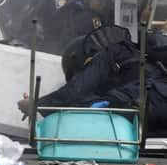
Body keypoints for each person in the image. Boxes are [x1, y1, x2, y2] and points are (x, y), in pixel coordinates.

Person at [17, 25, 167, 133]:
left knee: (94, 107)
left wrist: (36, 104)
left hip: (151, 106)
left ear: (85, 60)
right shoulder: (134, 56)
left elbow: (74, 92)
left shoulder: (107, 54)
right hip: (157, 111)